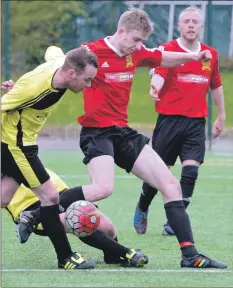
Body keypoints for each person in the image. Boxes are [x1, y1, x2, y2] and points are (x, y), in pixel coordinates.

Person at [2, 8, 226, 269]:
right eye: (135, 40)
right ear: (121, 32)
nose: (139, 46)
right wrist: (17, 88)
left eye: (142, 41)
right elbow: (62, 64)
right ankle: (37, 213)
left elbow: (163, 57)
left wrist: (194, 56)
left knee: (171, 186)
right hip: (97, 132)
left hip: (123, 132)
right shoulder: (92, 51)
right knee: (103, 189)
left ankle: (190, 255)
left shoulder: (137, 53)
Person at [1, 46, 99, 269]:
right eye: (88, 79)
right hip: (18, 148)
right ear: (72, 73)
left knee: (3, 199)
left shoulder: (61, 63)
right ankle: (65, 257)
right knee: (50, 197)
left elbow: (53, 50)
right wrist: (16, 94)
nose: (89, 85)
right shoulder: (35, 90)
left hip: (19, 143)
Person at [133, 7, 226, 236]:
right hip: (169, 121)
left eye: (196, 21)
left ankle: (175, 222)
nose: (191, 25)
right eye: (187, 21)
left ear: (201, 26)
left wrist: (221, 116)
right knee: (159, 175)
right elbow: (159, 73)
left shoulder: (210, 54)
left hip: (196, 123)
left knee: (191, 172)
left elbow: (215, 85)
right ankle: (143, 206)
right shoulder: (168, 50)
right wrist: (155, 85)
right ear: (179, 26)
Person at [5, 168, 148, 267]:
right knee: (79, 221)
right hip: (32, 206)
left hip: (63, 195)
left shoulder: (21, 144)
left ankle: (112, 255)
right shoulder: (7, 155)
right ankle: (125, 252)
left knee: (107, 228)